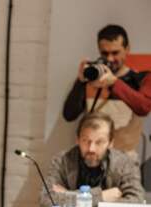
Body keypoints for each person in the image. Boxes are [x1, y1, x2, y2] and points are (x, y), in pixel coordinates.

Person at [63, 24, 151, 158]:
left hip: (124, 160)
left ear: (127, 49)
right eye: (104, 53)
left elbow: (144, 107)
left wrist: (114, 83)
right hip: (92, 158)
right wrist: (80, 82)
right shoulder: (92, 77)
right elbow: (69, 115)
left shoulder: (140, 78)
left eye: (115, 53)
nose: (110, 59)